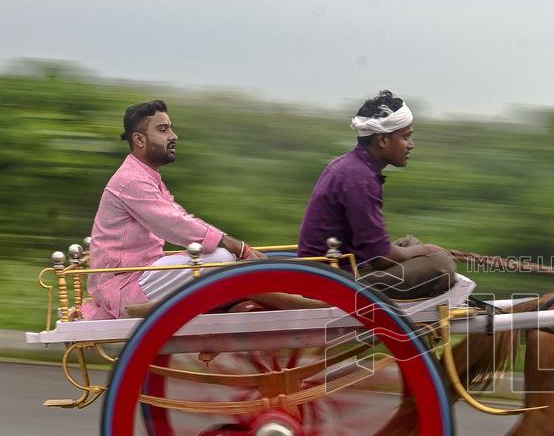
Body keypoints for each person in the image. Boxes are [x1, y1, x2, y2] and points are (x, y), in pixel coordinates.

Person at [82, 100, 264, 319]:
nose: (173, 136)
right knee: (223, 259)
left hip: (140, 275)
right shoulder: (130, 180)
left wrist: (234, 246)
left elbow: (181, 218)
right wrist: (237, 246)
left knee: (221, 258)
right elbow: (175, 225)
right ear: (139, 139)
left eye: (171, 128)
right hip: (125, 286)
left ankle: (222, 313)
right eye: (163, 129)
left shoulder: (146, 176)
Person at [298, 90, 455, 299]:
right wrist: (426, 250)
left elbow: (376, 249)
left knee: (411, 243)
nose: (411, 145)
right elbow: (381, 258)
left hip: (342, 268)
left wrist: (420, 250)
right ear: (382, 140)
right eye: (406, 136)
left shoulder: (351, 166)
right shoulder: (359, 177)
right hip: (334, 281)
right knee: (441, 266)